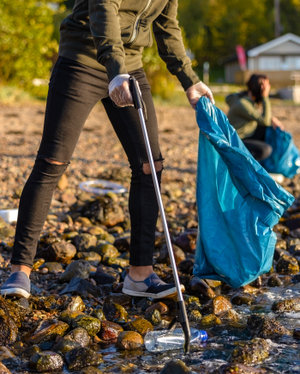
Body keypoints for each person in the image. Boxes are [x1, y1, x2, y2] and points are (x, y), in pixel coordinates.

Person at [0, 0, 214, 300]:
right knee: (52, 161)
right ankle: (19, 270)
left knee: (150, 166)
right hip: (83, 60)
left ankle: (140, 275)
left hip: (130, 65)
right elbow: (103, 9)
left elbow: (168, 27)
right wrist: (114, 69)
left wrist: (189, 80)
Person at [226, 73, 283, 161]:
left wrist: (272, 118)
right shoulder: (243, 103)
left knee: (268, 129)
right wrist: (265, 97)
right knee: (266, 150)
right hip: (236, 141)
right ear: (260, 88)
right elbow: (265, 121)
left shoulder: (247, 100)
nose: (268, 88)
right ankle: (244, 167)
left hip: (246, 135)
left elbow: (260, 117)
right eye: (266, 86)